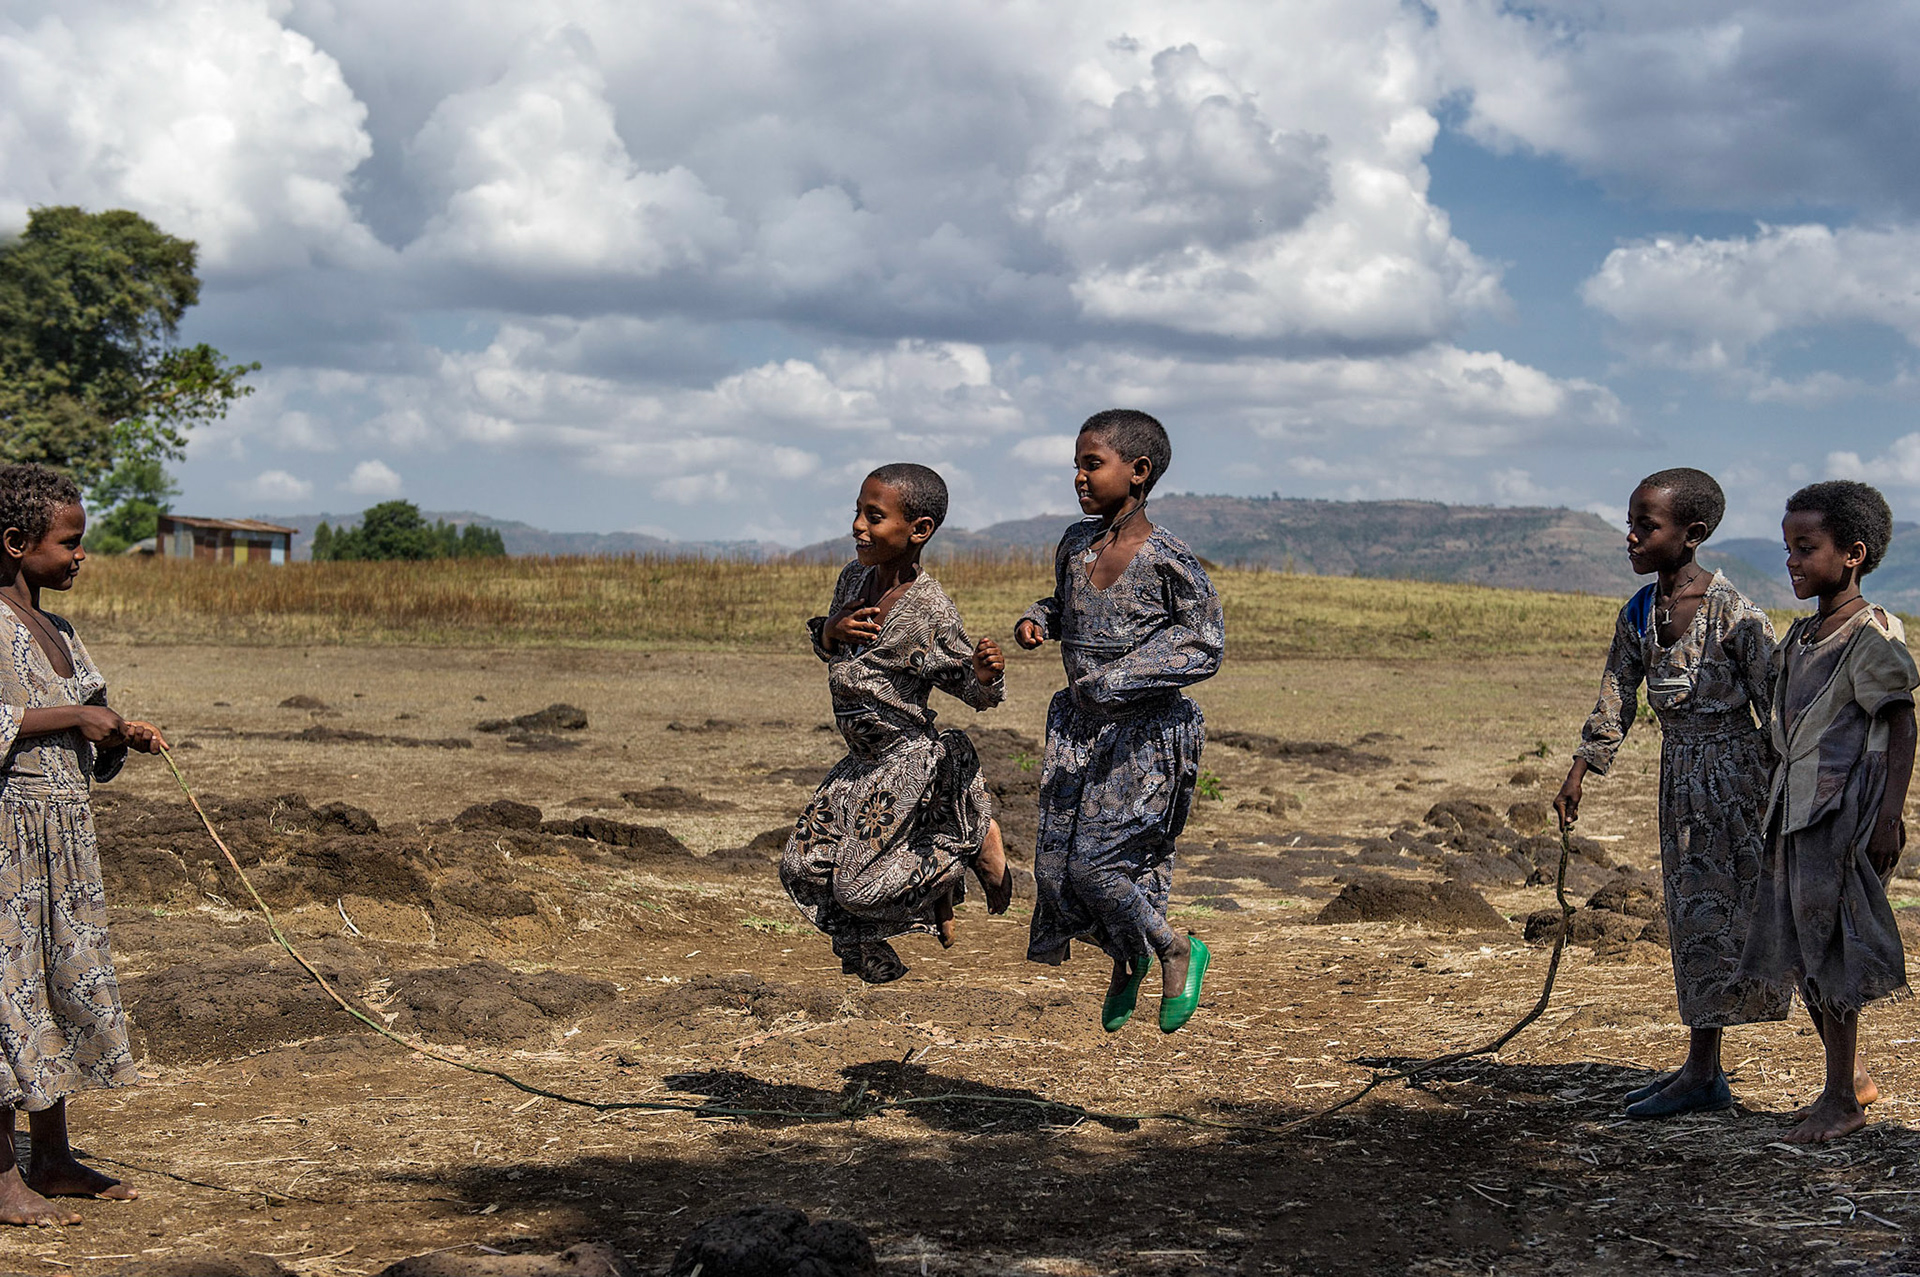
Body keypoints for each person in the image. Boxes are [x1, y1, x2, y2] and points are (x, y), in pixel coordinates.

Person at [1555, 468, 1790, 1117]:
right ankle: (1703, 1070)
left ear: (1692, 535)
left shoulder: (1735, 615)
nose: (1629, 537)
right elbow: (1616, 695)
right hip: (1681, 778)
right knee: (1695, 919)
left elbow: (1782, 711)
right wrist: (1581, 770)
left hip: (1743, 780)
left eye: (1645, 526)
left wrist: (1792, 798)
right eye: (1629, 521)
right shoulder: (1637, 612)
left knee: (1769, 916)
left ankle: (1844, 1070)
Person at [1014, 410, 1224, 1033]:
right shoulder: (1075, 544)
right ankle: (1127, 955)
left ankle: (1174, 949)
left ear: (1139, 472)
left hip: (1144, 736)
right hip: (1079, 732)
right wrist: (1038, 620)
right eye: (1076, 464)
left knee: (1099, 865)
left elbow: (1204, 641)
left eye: (1091, 464)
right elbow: (1064, 604)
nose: (1078, 476)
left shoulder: (1167, 558)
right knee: (1055, 870)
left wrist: (1121, 677)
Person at [0, 463, 168, 1226]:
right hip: (8, 839)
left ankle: (55, 1156)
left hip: (64, 844)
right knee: (8, 997)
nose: (80, 556)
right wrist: (71, 717)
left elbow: (87, 712)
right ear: (14, 542)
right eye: (69, 542)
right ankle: (4, 1177)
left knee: (59, 988)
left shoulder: (60, 630)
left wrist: (117, 729)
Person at [781, 463, 1013, 984]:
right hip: (861, 762)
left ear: (919, 530)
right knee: (801, 867)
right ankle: (865, 941)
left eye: (875, 516)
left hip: (905, 763)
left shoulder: (929, 610)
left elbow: (969, 690)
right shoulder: (852, 580)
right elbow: (834, 653)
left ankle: (961, 852)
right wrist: (831, 630)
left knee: (858, 886)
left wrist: (982, 674)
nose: (859, 527)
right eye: (858, 513)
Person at [1738, 480, 1917, 1143]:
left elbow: (1902, 723)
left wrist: (1888, 816)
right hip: (1798, 808)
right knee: (1806, 947)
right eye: (1788, 548)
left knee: (1833, 950)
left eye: (1805, 548)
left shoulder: (1871, 635)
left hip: (1843, 812)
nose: (1791, 561)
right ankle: (1850, 1078)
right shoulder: (1805, 633)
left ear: (1852, 553)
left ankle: (1841, 1098)